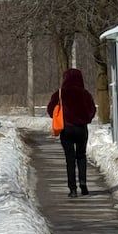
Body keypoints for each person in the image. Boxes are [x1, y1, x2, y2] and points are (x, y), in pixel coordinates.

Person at [47, 69, 96, 198]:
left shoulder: (60, 93)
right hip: (81, 129)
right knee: (81, 156)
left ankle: (72, 189)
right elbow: (92, 110)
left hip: (66, 129)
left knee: (70, 159)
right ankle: (84, 185)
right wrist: (86, 119)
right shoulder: (85, 94)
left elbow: (50, 109)